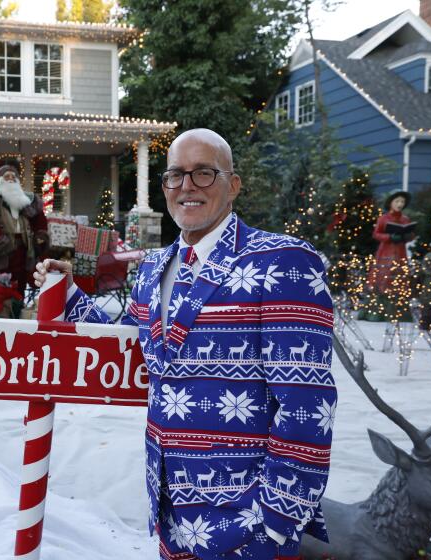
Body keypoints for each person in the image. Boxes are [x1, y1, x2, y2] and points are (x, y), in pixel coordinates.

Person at [34, 129, 336, 560]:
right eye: (175, 175)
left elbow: (306, 404)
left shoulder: (281, 262)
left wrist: (275, 522)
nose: (187, 186)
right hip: (170, 511)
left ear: (232, 184)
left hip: (248, 520)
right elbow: (132, 350)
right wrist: (67, 295)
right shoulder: (153, 267)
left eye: (203, 173)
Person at [0, 164, 48, 299]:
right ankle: (2, 313)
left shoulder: (26, 200)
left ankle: (18, 309)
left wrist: (40, 236)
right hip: (2, 251)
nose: (11, 179)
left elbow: (39, 221)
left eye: (14, 177)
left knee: (20, 287)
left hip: (24, 250)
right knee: (0, 289)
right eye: (7, 176)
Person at [369, 190, 415, 294]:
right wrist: (389, 237)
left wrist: (408, 236)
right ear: (391, 202)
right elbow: (376, 234)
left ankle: (398, 295)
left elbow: (411, 235)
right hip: (386, 252)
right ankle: (381, 294)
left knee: (399, 274)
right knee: (384, 273)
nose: (400, 204)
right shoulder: (383, 219)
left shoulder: (405, 219)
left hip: (400, 251)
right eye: (397, 201)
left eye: (402, 202)